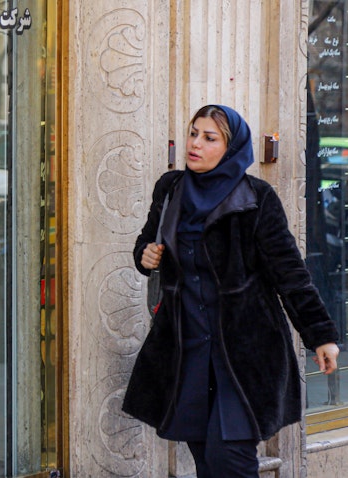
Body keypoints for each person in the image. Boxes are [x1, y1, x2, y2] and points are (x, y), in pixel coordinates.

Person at [122, 104, 341, 477]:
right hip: (186, 347)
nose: (195, 144)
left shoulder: (256, 198)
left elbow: (290, 274)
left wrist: (320, 335)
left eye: (209, 138)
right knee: (206, 459)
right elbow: (147, 244)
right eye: (193, 133)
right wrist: (145, 256)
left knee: (230, 459)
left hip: (244, 352)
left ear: (231, 147)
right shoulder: (170, 188)